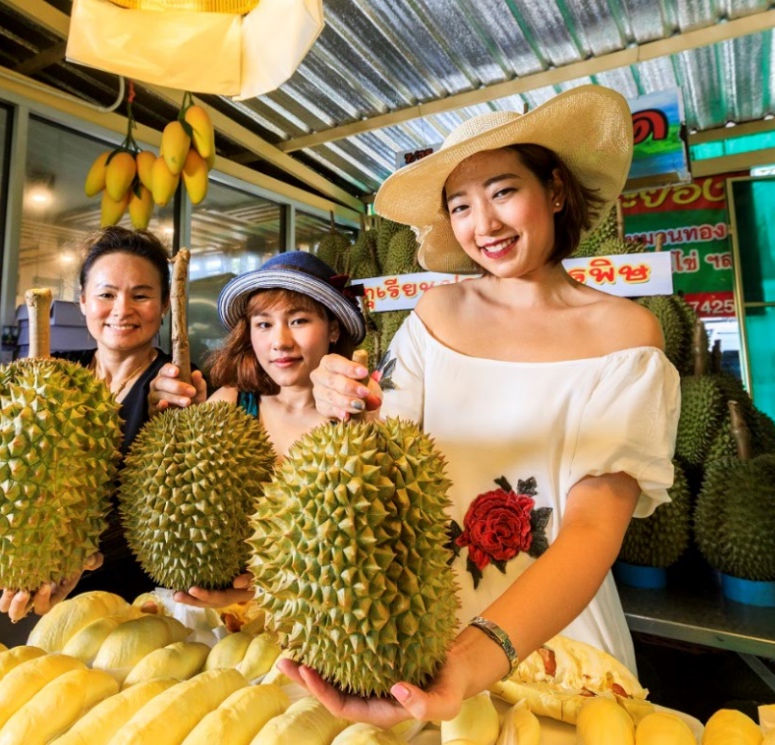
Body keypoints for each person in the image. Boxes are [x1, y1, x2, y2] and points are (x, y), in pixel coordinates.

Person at [292, 85, 680, 726]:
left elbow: (592, 530)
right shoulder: (434, 315)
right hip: (419, 621)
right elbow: (388, 456)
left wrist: (479, 656)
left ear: (554, 191)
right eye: (461, 206)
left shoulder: (626, 335)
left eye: (503, 191)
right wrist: (347, 405)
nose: (485, 224)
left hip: (560, 634)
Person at [0, 226, 175, 621]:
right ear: (83, 302)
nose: (122, 309)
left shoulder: (174, 383)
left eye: (141, 295)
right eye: (106, 294)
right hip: (36, 584)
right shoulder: (45, 374)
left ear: (165, 304)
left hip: (140, 600)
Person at [149, 250, 366, 606]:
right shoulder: (231, 406)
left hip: (326, 616)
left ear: (334, 329)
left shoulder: (356, 422)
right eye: (263, 324)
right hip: (235, 620)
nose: (279, 341)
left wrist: (271, 586)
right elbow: (188, 512)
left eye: (298, 321)